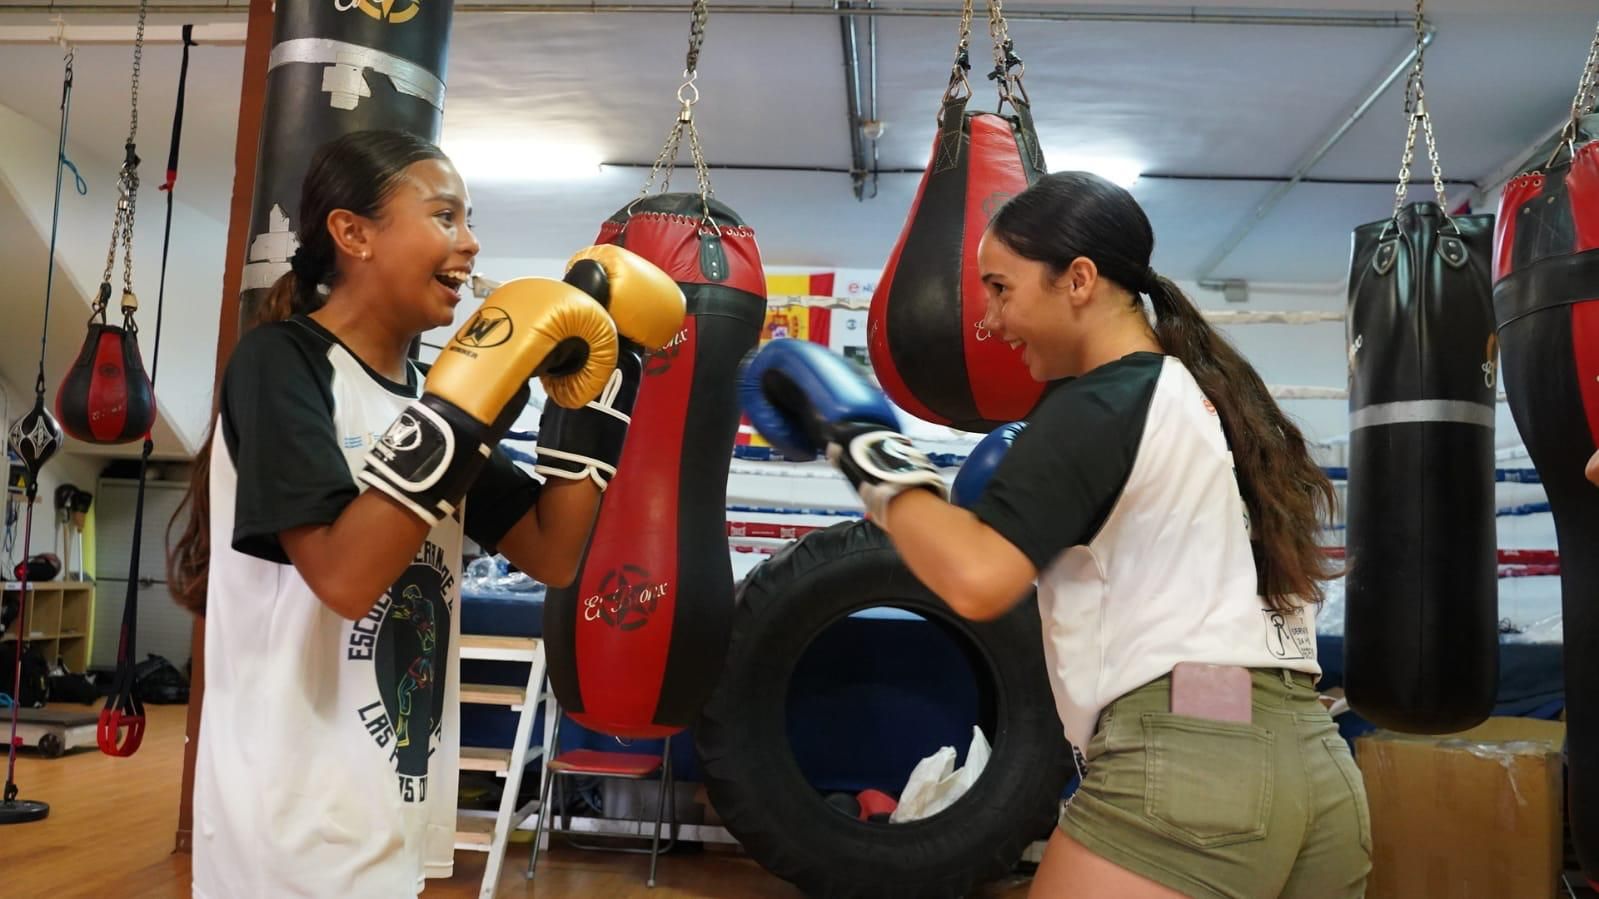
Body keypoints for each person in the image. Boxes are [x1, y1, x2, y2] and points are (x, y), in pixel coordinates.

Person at [740, 171, 1369, 898]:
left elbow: (975, 580)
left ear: (1077, 280)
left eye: (1001, 288)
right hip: (1314, 764)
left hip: (1197, 767)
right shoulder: (1200, 399)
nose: (988, 319)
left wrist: (856, 442)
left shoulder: (1102, 399)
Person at [166, 129, 684, 897]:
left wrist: (599, 399)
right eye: (445, 216)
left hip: (392, 796)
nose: (470, 243)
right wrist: (466, 411)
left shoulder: (420, 397)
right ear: (353, 233)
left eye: (470, 220)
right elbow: (344, 577)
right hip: (288, 809)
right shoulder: (282, 364)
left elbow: (551, 551)